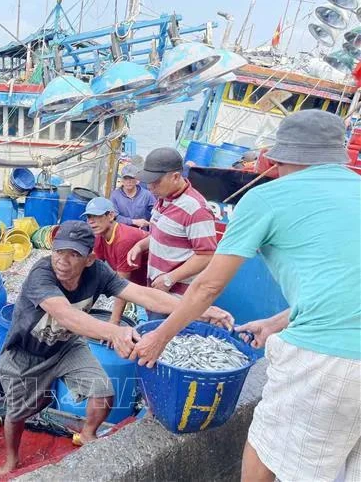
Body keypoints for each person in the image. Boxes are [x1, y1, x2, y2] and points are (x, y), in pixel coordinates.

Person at [130, 110, 361, 482]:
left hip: (328, 359)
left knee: (267, 448)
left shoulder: (267, 198)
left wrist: (160, 337)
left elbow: (208, 285)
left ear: (285, 158)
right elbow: (345, 285)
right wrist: (274, 322)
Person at [0, 221, 233, 475]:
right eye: (58, 252)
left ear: (89, 259)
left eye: (74, 254)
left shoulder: (98, 272)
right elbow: (65, 315)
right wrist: (114, 331)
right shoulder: (40, 274)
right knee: (18, 412)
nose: (63, 261)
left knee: (104, 393)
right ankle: (11, 458)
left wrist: (199, 310)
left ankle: (88, 434)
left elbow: (145, 295)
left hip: (66, 346)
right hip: (26, 353)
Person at [127, 147, 217, 303]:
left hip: (177, 297)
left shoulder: (196, 209)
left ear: (175, 177)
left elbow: (206, 256)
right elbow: (162, 233)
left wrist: (170, 278)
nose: (150, 187)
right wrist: (140, 246)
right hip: (157, 288)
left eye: (155, 182)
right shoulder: (164, 198)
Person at [84, 196, 149, 324]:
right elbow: (93, 271)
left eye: (97, 216)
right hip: (137, 281)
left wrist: (114, 322)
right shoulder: (99, 236)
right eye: (89, 217)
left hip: (157, 283)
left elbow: (122, 285)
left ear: (111, 215)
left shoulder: (124, 239)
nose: (91, 221)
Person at [110, 163, 156, 228]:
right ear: (122, 180)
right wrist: (134, 222)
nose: (128, 181)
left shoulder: (146, 195)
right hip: (122, 232)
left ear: (137, 180)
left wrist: (151, 223)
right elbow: (114, 217)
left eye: (131, 178)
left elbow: (156, 211)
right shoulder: (115, 195)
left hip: (141, 232)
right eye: (126, 178)